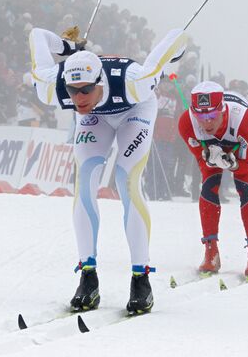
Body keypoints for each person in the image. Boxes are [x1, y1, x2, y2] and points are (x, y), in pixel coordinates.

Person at [29, 24, 186, 315]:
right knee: (85, 183)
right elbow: (37, 34)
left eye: (86, 90)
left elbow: (176, 34)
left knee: (126, 181)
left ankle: (141, 279)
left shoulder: (136, 81)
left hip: (134, 110)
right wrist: (66, 48)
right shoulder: (51, 87)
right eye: (72, 91)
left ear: (99, 81)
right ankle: (88, 278)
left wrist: (176, 53)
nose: (78, 98)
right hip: (97, 119)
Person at [177, 81, 248, 279]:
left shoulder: (246, 120)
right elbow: (203, 162)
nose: (206, 122)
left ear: (223, 111)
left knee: (244, 184)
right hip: (214, 144)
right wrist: (209, 158)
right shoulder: (186, 123)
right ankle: (211, 250)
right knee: (209, 183)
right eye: (201, 116)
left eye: (212, 116)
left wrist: (233, 164)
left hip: (243, 135)